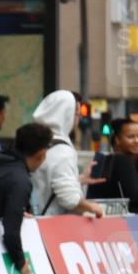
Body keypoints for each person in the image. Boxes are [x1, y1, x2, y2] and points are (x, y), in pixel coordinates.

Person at [0, 122, 54, 274]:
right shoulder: (21, 180)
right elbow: (11, 232)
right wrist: (22, 264)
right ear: (41, 154)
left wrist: (13, 209)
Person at [30, 90, 105, 218]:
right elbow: (69, 199)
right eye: (77, 114)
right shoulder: (62, 151)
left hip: (33, 222)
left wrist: (79, 179)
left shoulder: (34, 142)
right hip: (53, 227)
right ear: (66, 115)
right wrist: (93, 207)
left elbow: (47, 182)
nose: (78, 119)